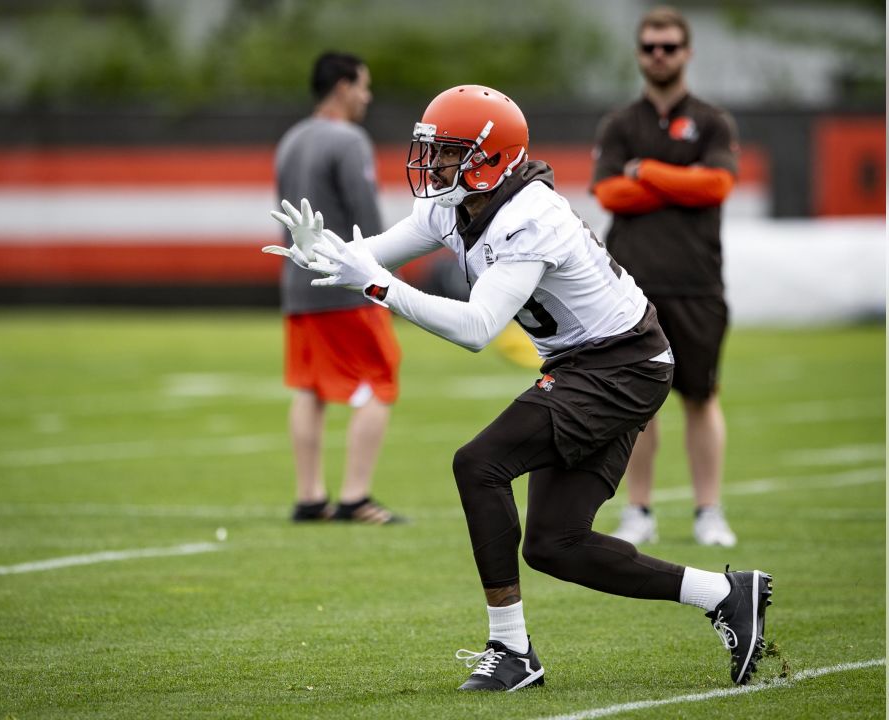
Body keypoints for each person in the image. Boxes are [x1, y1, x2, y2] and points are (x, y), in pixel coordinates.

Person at [265, 84, 772, 691]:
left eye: (449, 153)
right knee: (556, 545)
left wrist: (377, 288)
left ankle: (510, 650)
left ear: (493, 158)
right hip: (595, 363)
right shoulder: (455, 203)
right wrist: (321, 251)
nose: (435, 166)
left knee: (478, 464)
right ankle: (724, 593)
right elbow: (371, 254)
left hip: (622, 366)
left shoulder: (531, 217)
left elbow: (478, 326)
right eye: (433, 150)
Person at [592, 6, 740, 547]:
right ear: (638, 53)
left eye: (670, 46)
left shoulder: (713, 120)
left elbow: (717, 186)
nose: (660, 55)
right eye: (651, 46)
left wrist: (647, 172)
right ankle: (640, 512)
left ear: (687, 52)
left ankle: (709, 513)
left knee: (701, 397)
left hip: (698, 282)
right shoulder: (619, 124)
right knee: (639, 402)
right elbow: (609, 193)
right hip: (629, 286)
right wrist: (682, 178)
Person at [270, 51, 403, 525]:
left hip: (297, 286)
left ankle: (309, 497)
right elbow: (367, 220)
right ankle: (355, 496)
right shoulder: (349, 140)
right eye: (364, 86)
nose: (367, 96)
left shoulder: (290, 139)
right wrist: (388, 280)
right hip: (343, 289)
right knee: (380, 379)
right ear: (344, 86)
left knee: (310, 387)